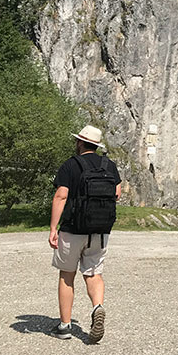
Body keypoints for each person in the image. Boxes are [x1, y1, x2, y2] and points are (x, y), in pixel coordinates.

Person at [49, 125, 121, 343]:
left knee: (67, 274)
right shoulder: (109, 165)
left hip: (73, 229)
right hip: (100, 230)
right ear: (96, 145)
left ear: (80, 142)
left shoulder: (71, 165)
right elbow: (116, 195)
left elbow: (61, 196)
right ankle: (97, 307)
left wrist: (53, 228)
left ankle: (65, 326)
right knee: (93, 273)